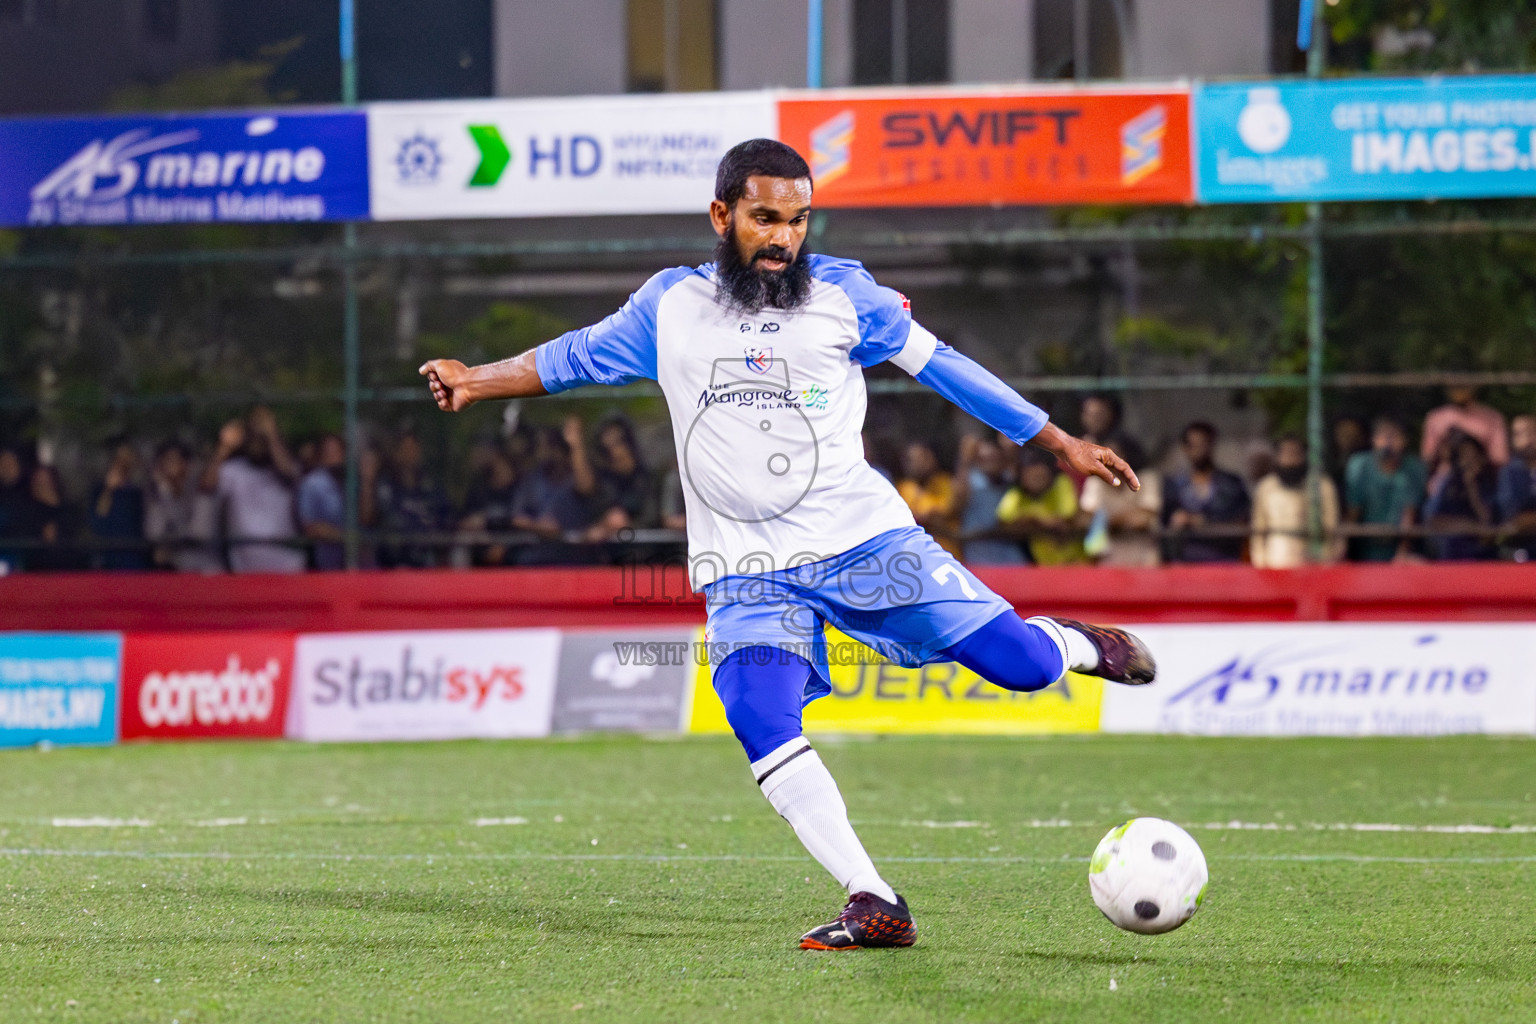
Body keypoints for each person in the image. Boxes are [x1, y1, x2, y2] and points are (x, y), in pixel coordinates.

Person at [420, 138, 1154, 951]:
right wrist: (475, 378)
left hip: (868, 542)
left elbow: (942, 366)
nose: (782, 239)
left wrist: (1056, 442)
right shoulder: (668, 308)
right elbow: (569, 360)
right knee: (757, 714)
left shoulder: (847, 295)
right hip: (747, 571)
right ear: (721, 215)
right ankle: (873, 897)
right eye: (765, 218)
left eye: (798, 220)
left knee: (1021, 667)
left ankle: (1077, 646)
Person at [202, 406, 305, 573]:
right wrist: (225, 447)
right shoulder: (234, 470)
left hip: (287, 564)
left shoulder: (286, 467)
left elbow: (290, 474)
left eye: (261, 439)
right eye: (252, 437)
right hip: (245, 565)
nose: (256, 443)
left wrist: (270, 434)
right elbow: (206, 485)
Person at [510, 419, 599, 564]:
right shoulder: (532, 480)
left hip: (576, 558)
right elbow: (517, 518)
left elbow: (586, 487)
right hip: (537, 558)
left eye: (546, 446)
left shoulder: (575, 478)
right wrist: (539, 527)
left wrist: (576, 444)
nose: (540, 452)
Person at [1161, 421, 1250, 563]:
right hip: (1187, 561)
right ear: (1185, 448)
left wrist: (1200, 521)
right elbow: (1165, 522)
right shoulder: (1174, 485)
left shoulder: (1232, 484)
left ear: (1212, 444)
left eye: (1203, 444)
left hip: (1226, 560)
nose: (1199, 451)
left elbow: (1242, 520)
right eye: (1193, 446)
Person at [1343, 416, 1427, 563]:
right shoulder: (1359, 465)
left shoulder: (1414, 468)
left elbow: (1409, 514)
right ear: (1373, 440)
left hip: (1398, 549)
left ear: (1405, 440)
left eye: (1395, 436)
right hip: (1364, 547)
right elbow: (1353, 512)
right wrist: (1343, 550)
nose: (1388, 442)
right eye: (1383, 436)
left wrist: (1402, 553)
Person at [1249, 436, 1341, 568]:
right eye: (1286, 453)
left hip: (1314, 560)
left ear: (1304, 455)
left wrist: (1327, 558)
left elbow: (1331, 523)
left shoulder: (1322, 485)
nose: (1291, 458)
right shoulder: (1266, 486)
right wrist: (1260, 561)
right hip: (1276, 559)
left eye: (1295, 453)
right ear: (1277, 456)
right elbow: (1259, 525)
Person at [374, 431, 452, 569]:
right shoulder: (386, 487)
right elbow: (378, 522)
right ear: (396, 453)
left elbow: (446, 522)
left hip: (427, 564)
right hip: (392, 566)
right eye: (404, 449)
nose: (409, 455)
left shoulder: (432, 487)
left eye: (413, 449)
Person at [996, 447, 1087, 565]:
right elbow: (1004, 522)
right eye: (1031, 473)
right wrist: (1031, 521)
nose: (1036, 477)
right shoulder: (1017, 494)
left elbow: (1065, 520)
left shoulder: (1061, 484)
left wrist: (1035, 520)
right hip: (1042, 567)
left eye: (1040, 474)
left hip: (1075, 563)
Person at [1078, 438, 1162, 567]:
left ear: (1127, 455)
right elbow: (1085, 519)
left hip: (1143, 559)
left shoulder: (1146, 479)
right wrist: (1125, 518)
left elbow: (1143, 519)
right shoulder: (1096, 482)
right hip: (1108, 561)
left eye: (1114, 454)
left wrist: (1105, 520)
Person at [144, 440, 221, 573]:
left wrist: (169, 542)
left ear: (186, 464)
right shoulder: (159, 494)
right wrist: (163, 492)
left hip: (207, 572)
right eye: (165, 461)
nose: (169, 466)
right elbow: (154, 533)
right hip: (177, 573)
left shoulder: (201, 491)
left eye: (174, 460)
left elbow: (200, 533)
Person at [1422, 432, 1499, 561]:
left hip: (1485, 553)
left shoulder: (1492, 482)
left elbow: (1488, 522)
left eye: (1474, 455)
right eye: (1464, 456)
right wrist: (1471, 526)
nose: (1470, 461)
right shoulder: (1449, 483)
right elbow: (1434, 520)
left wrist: (1472, 488)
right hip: (1453, 552)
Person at [951, 434, 1024, 565]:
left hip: (1010, 554)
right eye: (984, 459)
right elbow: (957, 502)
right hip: (978, 555)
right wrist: (965, 460)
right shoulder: (971, 480)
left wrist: (1011, 448)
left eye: (995, 458)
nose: (990, 463)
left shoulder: (1009, 480)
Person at [1421, 386, 1508, 475]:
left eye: (1463, 384)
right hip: (1446, 477)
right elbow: (1427, 457)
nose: (1458, 389)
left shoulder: (1492, 418)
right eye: (1454, 385)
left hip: (1483, 476)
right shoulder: (1436, 417)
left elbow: (1499, 458)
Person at [88, 440, 148, 570]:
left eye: (127, 458)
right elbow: (97, 520)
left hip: (133, 556)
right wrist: (109, 490)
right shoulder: (99, 490)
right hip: (107, 555)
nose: (123, 463)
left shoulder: (136, 492)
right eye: (120, 458)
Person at [895, 441, 959, 557]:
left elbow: (945, 511)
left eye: (924, 457)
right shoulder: (902, 488)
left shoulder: (944, 482)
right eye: (914, 459)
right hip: (917, 557)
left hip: (949, 553)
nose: (920, 463)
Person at [297, 433, 348, 571]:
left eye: (337, 451)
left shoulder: (352, 481)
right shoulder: (312, 483)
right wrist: (346, 538)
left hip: (358, 567)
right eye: (328, 452)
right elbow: (309, 526)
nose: (333, 456)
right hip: (325, 565)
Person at [1496, 414, 1536, 561]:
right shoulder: (1509, 472)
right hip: (1521, 549)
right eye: (1519, 434)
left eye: (1532, 432)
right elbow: (1512, 519)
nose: (1528, 439)